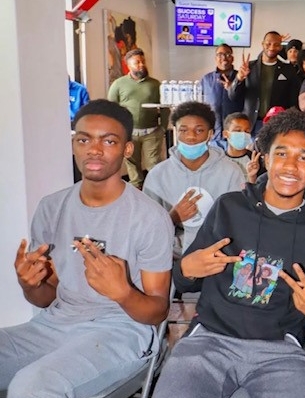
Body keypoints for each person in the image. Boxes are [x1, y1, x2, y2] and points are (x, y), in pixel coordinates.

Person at [152, 108, 305, 398]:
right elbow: (185, 280)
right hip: (208, 345)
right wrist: (186, 269)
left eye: (303, 157)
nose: (290, 166)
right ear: (265, 158)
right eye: (281, 154)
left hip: (282, 354)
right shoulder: (228, 208)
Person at [0, 99, 173, 397]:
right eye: (84, 139)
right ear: (74, 144)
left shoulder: (149, 217)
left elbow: (157, 311)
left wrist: (123, 293)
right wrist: (29, 285)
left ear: (127, 149)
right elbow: (46, 297)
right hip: (55, 324)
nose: (94, 149)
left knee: (32, 386)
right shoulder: (51, 207)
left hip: (121, 331)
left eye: (108, 141)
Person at [143, 101, 245, 259]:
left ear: (210, 134)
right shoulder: (158, 175)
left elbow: (238, 222)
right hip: (170, 257)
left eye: (199, 130)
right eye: (183, 130)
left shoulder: (231, 172)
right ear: (176, 132)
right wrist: (173, 217)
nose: (191, 137)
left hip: (217, 256)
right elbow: (146, 229)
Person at [108, 48, 167, 189]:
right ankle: (136, 193)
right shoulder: (118, 84)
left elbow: (165, 106)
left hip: (151, 132)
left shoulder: (155, 84)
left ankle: (157, 194)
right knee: (132, 166)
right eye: (137, 62)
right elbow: (111, 108)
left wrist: (163, 127)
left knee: (154, 164)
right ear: (128, 66)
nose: (141, 64)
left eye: (143, 61)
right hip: (129, 133)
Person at [228, 31, 301, 137]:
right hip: (251, 124)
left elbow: (294, 101)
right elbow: (232, 96)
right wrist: (239, 78)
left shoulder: (288, 70)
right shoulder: (249, 67)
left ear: (281, 47)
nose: (272, 47)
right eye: (268, 44)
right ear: (262, 44)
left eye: (276, 44)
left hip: (277, 124)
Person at [201, 44, 245, 149]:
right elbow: (202, 107)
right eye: (220, 55)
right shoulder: (206, 80)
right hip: (214, 136)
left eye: (227, 54)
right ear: (215, 58)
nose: (224, 58)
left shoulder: (242, 77)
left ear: (232, 58)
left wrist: (233, 87)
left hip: (235, 134)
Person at [221, 112, 265, 183]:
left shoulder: (255, 161)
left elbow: (260, 189)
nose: (243, 134)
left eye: (247, 131)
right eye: (238, 131)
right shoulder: (219, 159)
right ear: (226, 134)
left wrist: (252, 177)